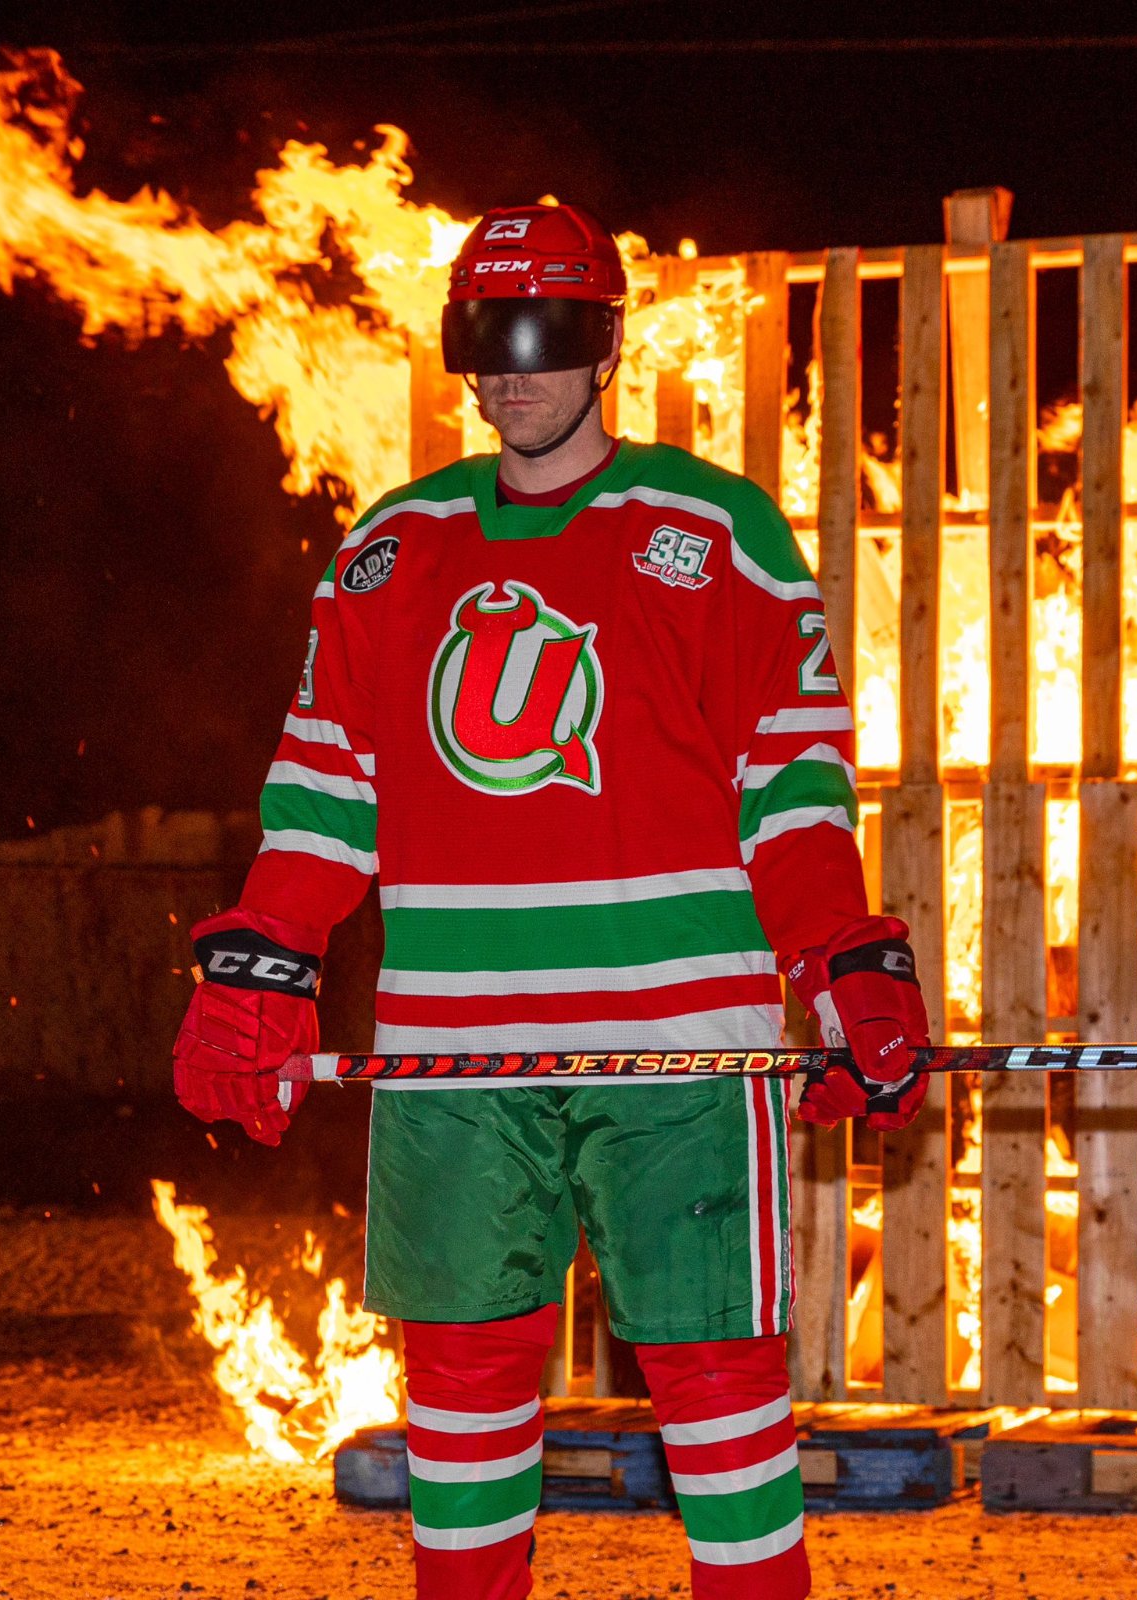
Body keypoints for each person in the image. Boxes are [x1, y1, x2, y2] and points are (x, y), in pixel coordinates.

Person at [172, 202, 930, 1600]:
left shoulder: (716, 530)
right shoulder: (390, 548)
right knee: (461, 1376)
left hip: (681, 1037)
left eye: (547, 330)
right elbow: (326, 790)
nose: (512, 368)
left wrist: (840, 957)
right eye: (485, 331)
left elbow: (792, 785)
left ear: (606, 344)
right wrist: (267, 954)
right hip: (452, 1043)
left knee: (716, 1371)